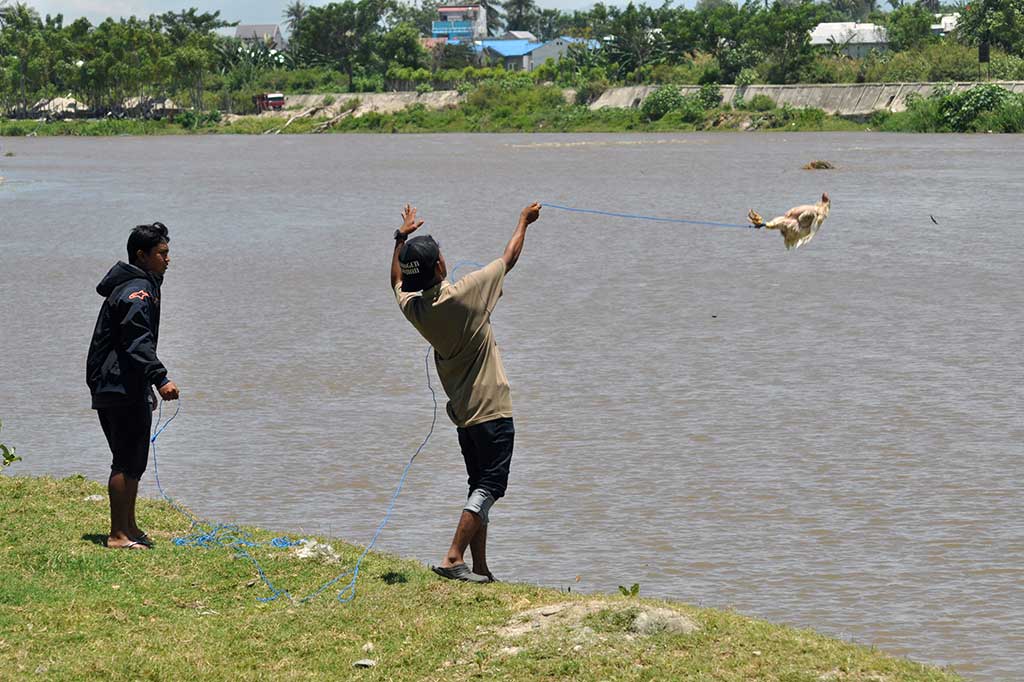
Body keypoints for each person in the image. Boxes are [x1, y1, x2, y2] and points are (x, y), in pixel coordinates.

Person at [391, 202, 541, 582]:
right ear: (440, 266)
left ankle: (481, 568)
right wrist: (523, 221)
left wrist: (400, 238)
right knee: (491, 485)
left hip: (464, 416)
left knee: (477, 484)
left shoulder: (416, 309)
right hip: (492, 411)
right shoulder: (466, 293)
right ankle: (453, 557)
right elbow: (509, 258)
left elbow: (396, 282)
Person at [87, 222, 179, 550]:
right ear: (141, 255)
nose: (168, 259)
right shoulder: (136, 291)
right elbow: (135, 340)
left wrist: (144, 387)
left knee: (135, 458)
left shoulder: (139, 285)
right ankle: (117, 535)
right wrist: (160, 378)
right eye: (161, 254)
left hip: (123, 383)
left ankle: (130, 526)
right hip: (117, 385)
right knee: (125, 458)